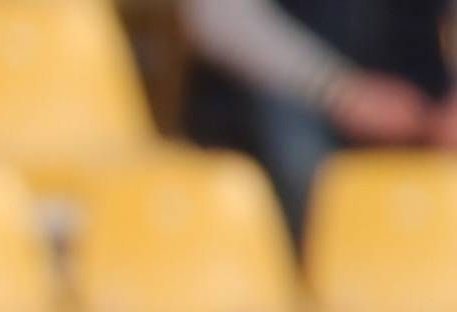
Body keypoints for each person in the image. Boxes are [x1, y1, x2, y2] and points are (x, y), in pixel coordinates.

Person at [182, 0, 457, 244]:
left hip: (421, 109)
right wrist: (339, 91)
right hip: (282, 99)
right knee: (294, 146)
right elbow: (216, 18)